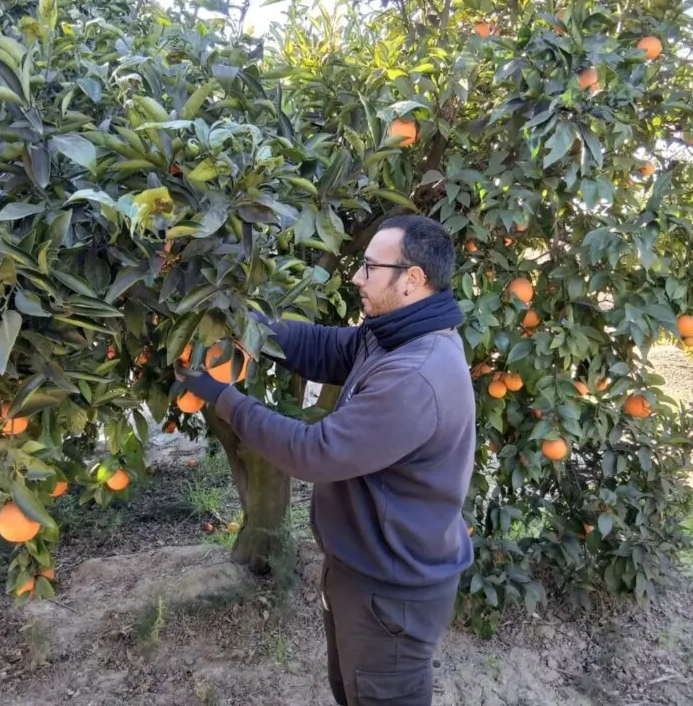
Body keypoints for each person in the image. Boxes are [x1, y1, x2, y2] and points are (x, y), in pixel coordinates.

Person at [175, 214, 476, 706]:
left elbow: (315, 454)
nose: (357, 277)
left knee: (380, 696)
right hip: (364, 571)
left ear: (412, 280)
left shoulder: (416, 374)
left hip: (391, 592)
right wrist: (244, 326)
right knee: (352, 691)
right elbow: (320, 346)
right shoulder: (391, 334)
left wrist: (222, 397)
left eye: (370, 268)